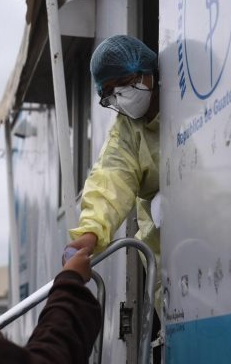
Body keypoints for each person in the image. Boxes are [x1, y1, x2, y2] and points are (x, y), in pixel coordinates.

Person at [63, 35, 161, 304]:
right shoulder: (126, 131)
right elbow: (110, 181)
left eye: (125, 83)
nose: (120, 95)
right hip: (170, 262)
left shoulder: (185, 102)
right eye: (110, 92)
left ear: (147, 70)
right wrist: (89, 233)